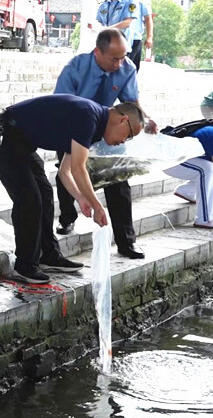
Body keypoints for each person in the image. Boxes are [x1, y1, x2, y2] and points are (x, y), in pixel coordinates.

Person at [0, 94, 144, 284]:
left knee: (45, 193)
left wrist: (81, 198)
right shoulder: (89, 116)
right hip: (3, 134)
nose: (125, 141)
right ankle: (24, 266)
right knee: (29, 198)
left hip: (22, 142)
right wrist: (97, 206)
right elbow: (78, 168)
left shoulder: (95, 124)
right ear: (123, 120)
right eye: (129, 135)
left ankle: (49, 255)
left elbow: (64, 172)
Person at [53, 28, 147, 259]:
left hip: (108, 127)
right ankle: (67, 218)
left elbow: (131, 103)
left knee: (118, 178)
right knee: (68, 170)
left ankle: (126, 241)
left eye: (123, 57)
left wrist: (146, 119)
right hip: (72, 126)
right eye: (114, 59)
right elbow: (61, 104)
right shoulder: (75, 67)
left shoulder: (127, 68)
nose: (119, 63)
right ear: (98, 52)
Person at [129, 0, 152, 70]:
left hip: (135, 38)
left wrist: (149, 37)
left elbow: (148, 18)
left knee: (131, 68)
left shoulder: (142, 0)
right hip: (118, 37)